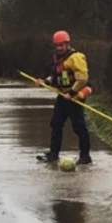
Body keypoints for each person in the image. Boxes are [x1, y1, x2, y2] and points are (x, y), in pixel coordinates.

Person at [36, 30, 93, 165]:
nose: (59, 48)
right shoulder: (57, 59)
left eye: (61, 45)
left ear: (67, 44)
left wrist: (72, 93)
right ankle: (53, 154)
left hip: (75, 97)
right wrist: (45, 82)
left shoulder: (76, 58)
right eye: (57, 46)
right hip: (62, 96)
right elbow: (55, 77)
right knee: (56, 124)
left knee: (79, 127)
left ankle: (85, 156)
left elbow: (83, 79)